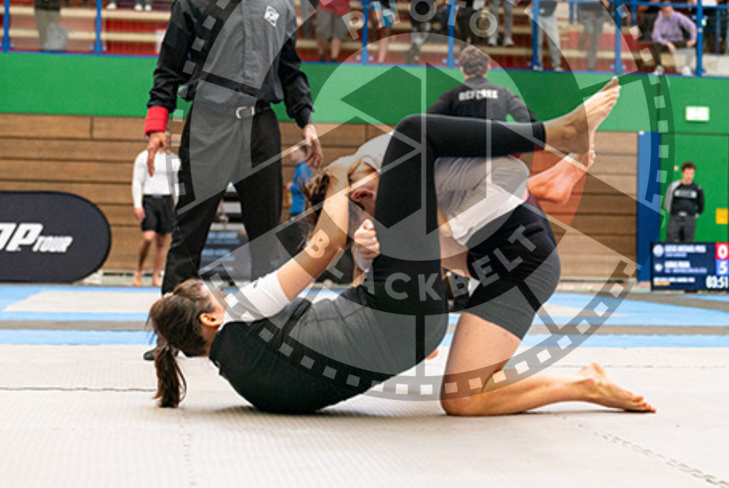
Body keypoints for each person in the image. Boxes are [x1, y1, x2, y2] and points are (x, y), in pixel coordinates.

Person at [148, 86, 653, 416]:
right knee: (416, 134)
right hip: (415, 307)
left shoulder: (242, 377)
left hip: (418, 317)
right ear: (209, 321)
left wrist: (368, 240)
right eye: (211, 292)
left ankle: (548, 178)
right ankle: (553, 137)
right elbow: (323, 249)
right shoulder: (241, 314)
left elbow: (333, 327)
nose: (223, 288)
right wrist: (344, 198)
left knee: (420, 162)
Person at [144, 0, 322, 328]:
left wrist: (307, 120)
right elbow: (167, 72)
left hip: (260, 127)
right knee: (190, 232)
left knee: (265, 236)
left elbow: (291, 70)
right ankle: (170, 335)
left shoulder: (277, 4)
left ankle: (269, 331)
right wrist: (157, 126)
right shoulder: (191, 2)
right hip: (208, 127)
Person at [429, 45, 533, 121]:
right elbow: (529, 120)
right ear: (488, 68)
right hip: (497, 149)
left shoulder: (452, 96)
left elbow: (426, 120)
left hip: (463, 149)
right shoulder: (503, 93)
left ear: (462, 70)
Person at [132, 133, 181, 287]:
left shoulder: (173, 160)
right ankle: (138, 270)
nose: (163, 141)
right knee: (148, 237)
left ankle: (156, 274)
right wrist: (137, 204)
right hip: (149, 199)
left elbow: (176, 184)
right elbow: (137, 181)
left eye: (166, 138)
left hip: (166, 200)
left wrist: (178, 204)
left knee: (161, 242)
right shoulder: (143, 157)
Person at [533, 0, 569, 71]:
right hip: (537, 15)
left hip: (550, 15)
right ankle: (537, 64)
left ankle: (556, 65)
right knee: (537, 42)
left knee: (555, 41)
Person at [580, 0, 616, 71]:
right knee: (589, 29)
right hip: (586, 13)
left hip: (599, 15)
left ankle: (591, 65)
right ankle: (581, 43)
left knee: (595, 41)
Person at [650, 0, 697, 75]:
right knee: (655, 46)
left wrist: (693, 39)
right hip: (665, 43)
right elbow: (655, 36)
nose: (668, 12)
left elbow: (692, 26)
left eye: (669, 10)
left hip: (677, 41)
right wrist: (667, 43)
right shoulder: (659, 19)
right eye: (665, 11)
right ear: (662, 11)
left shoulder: (677, 16)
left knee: (691, 46)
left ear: (672, 9)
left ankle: (686, 67)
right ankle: (659, 68)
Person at [664, 162, 704, 242]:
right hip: (675, 218)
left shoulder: (697, 188)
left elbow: (701, 205)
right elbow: (667, 202)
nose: (689, 176)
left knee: (688, 243)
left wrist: (693, 215)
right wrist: (674, 213)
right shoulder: (673, 186)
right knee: (671, 243)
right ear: (683, 173)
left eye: (692, 173)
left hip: (690, 219)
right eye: (687, 173)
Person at [287, 144, 312, 220]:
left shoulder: (303, 168)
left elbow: (304, 187)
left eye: (295, 151)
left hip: (299, 210)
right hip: (297, 208)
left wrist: (291, 187)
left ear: (303, 153)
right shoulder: (300, 168)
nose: (291, 153)